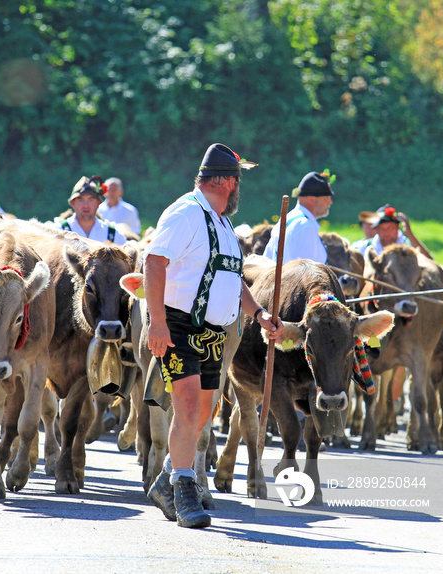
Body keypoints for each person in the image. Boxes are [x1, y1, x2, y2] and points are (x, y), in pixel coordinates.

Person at [143, 143, 283, 528]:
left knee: (204, 412)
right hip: (179, 324)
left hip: (213, 331)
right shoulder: (186, 212)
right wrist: (156, 321)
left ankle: (166, 479)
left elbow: (232, 278)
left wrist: (259, 312)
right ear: (223, 180)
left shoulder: (221, 223)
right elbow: (154, 263)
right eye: (237, 179)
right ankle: (185, 492)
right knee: (188, 408)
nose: (239, 186)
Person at [263, 171, 334, 264]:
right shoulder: (306, 226)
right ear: (312, 199)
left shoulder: (286, 219)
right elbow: (306, 275)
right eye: (326, 198)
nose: (330, 202)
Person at [56, 176, 127, 245]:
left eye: (91, 200)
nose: (86, 205)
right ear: (73, 203)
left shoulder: (112, 234)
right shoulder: (60, 231)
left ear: (98, 203)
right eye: (81, 200)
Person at [365, 204, 432, 259]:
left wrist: (410, 234)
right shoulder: (364, 247)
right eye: (381, 229)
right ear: (376, 230)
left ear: (397, 227)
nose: (386, 232)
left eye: (390, 228)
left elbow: (429, 260)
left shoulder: (408, 244)